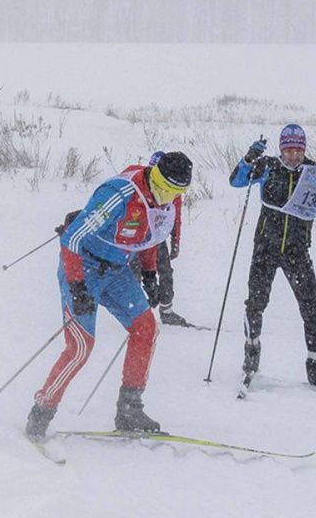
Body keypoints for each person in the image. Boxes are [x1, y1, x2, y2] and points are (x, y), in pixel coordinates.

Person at [25, 152, 193, 440]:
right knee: (81, 347)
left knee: (146, 328)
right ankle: (42, 411)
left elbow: (151, 234)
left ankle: (129, 408)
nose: (166, 196)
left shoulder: (169, 201)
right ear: (153, 174)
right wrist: (77, 286)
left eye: (175, 192)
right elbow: (72, 238)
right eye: (163, 187)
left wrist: (151, 275)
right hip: (83, 265)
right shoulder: (120, 193)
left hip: (117, 271)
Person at [230, 124, 316, 388]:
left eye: (298, 150)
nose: (293, 156)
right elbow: (236, 181)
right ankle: (251, 350)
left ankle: (315, 365)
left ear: (304, 149)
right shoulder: (267, 166)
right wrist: (248, 158)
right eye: (289, 150)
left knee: (311, 306)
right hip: (265, 248)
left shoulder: (315, 171)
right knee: (256, 303)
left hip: (297, 250)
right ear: (281, 149)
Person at [137, 151, 190, 327]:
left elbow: (177, 218)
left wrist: (176, 243)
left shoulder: (173, 191)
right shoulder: (140, 186)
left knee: (166, 272)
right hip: (138, 238)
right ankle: (136, 312)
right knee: (136, 272)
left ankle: (166, 310)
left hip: (158, 238)